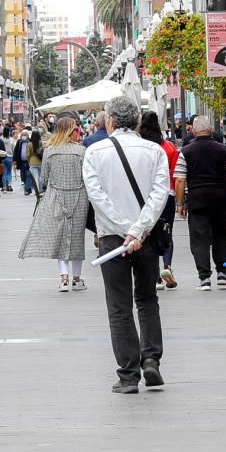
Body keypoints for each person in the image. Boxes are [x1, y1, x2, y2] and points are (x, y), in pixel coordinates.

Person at [83, 95, 170, 393]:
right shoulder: (154, 151)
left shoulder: (94, 152)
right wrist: (139, 229)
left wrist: (124, 230)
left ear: (109, 121)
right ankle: (151, 360)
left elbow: (97, 197)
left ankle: (128, 375)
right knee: (147, 299)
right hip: (145, 239)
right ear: (136, 121)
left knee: (119, 306)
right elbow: (161, 194)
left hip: (111, 240)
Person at [19, 117, 89, 291]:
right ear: (69, 131)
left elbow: (44, 179)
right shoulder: (82, 151)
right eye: (75, 130)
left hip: (55, 196)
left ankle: (64, 278)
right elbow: (87, 177)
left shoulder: (50, 151)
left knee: (59, 236)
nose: (78, 132)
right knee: (76, 237)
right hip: (79, 197)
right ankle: (77, 278)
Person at [174, 115, 226, 291]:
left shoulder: (186, 151)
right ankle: (222, 273)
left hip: (197, 199)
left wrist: (180, 203)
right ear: (211, 130)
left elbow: (179, 180)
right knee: (222, 235)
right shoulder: (225, 150)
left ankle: (204, 277)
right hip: (222, 199)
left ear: (193, 130)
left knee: (199, 238)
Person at [138, 111, 179, 290]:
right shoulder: (169, 147)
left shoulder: (139, 148)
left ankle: (154, 276)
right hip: (167, 194)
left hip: (145, 195)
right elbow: (176, 174)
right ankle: (167, 266)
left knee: (148, 231)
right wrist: (180, 200)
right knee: (166, 229)